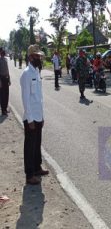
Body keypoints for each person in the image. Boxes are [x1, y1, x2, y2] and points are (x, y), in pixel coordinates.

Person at [20, 44, 49, 185]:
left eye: (40, 56)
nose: (39, 58)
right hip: (30, 117)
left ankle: (37, 167)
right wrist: (30, 119)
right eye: (37, 56)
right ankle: (29, 174)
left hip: (38, 115)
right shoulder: (26, 74)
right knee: (29, 146)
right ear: (31, 57)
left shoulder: (36, 72)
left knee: (37, 144)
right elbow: (25, 98)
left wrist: (42, 116)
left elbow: (39, 96)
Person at [0, 48, 11, 116]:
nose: (3, 54)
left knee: (7, 94)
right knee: (2, 95)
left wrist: (9, 79)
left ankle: (5, 109)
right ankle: (3, 110)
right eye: (2, 53)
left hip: (6, 78)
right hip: (1, 79)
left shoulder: (6, 60)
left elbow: (7, 70)